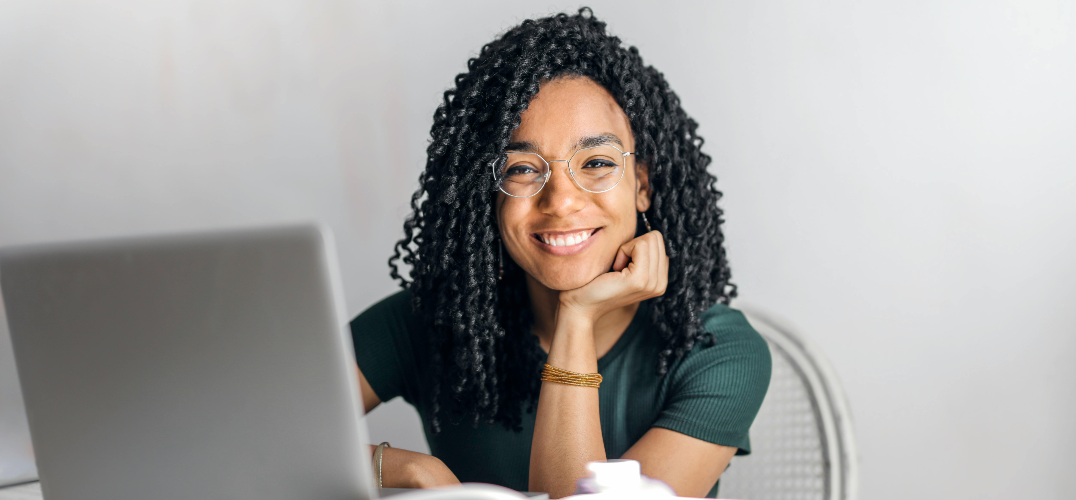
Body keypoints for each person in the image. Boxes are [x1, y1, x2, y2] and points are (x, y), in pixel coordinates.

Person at [350, 8, 771, 499]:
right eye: (523, 169)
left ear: (642, 185)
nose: (562, 201)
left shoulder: (715, 351)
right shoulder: (431, 320)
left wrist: (577, 317)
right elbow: (251, 429)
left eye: (595, 162)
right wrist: (399, 469)